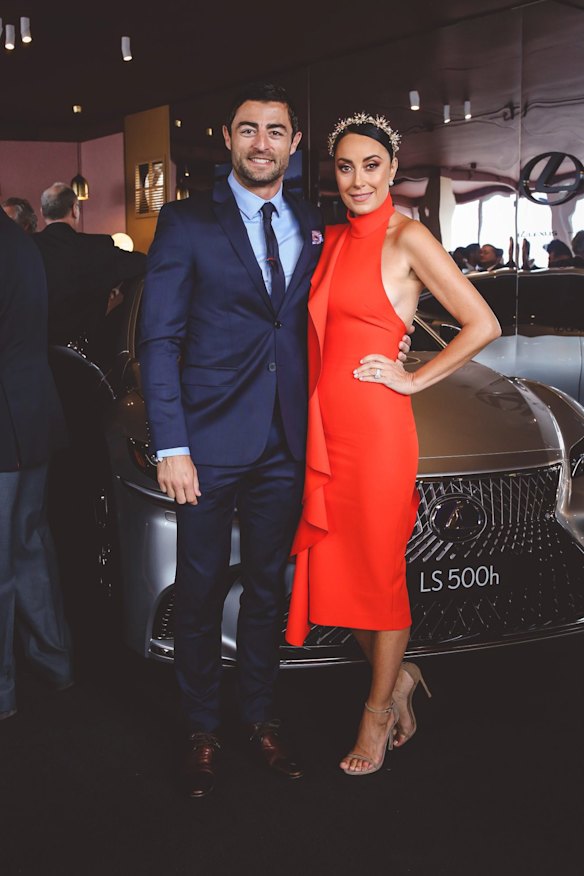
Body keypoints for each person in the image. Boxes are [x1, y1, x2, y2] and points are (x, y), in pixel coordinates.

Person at [138, 82, 416, 798]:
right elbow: (159, 338)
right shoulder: (185, 222)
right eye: (247, 130)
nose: (261, 142)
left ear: (295, 146)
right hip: (204, 444)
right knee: (200, 592)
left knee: (268, 588)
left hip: (292, 442)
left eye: (276, 131)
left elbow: (357, 299)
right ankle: (201, 729)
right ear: (227, 139)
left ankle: (260, 718)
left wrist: (401, 337)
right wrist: (172, 443)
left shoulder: (319, 222)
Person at [285, 112, 501, 776]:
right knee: (334, 571)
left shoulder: (410, 238)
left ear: (392, 170)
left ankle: (375, 716)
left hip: (377, 431)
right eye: (345, 167)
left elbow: (482, 323)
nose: (357, 179)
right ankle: (400, 676)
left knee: (377, 575)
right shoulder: (332, 240)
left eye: (370, 165)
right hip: (327, 427)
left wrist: (412, 377)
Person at [0, 206, 73, 721]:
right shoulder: (19, 240)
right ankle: (54, 663)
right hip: (32, 413)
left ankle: (2, 690)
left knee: (9, 558)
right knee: (28, 549)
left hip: (7, 421)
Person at [33, 183, 146, 346]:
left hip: (37, 348)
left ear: (42, 212)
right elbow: (142, 263)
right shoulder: (97, 246)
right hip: (89, 351)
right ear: (74, 209)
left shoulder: (29, 247)